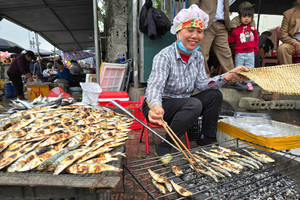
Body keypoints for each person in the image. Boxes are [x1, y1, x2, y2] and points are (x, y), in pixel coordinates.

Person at [142, 4, 249, 163]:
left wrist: (227, 76)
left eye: (199, 31)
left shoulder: (197, 57)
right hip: (158, 104)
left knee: (214, 95)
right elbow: (155, 87)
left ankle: (207, 139)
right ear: (178, 32)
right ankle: (164, 145)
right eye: (190, 30)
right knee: (193, 104)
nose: (195, 36)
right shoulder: (164, 56)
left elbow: (202, 84)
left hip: (184, 103)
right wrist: (156, 107)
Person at [188, 0, 234, 77]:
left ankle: (233, 78)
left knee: (226, 53)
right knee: (202, 53)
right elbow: (194, 4)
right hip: (206, 24)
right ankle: (204, 79)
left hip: (222, 24)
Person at [228, 7, 258, 90]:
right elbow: (231, 40)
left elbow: (256, 40)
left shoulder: (253, 30)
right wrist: (224, 37)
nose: (246, 18)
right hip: (239, 53)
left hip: (250, 53)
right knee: (238, 68)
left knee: (249, 69)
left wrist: (255, 49)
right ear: (240, 18)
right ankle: (238, 82)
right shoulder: (236, 30)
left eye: (249, 16)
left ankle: (248, 83)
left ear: (251, 18)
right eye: (244, 16)